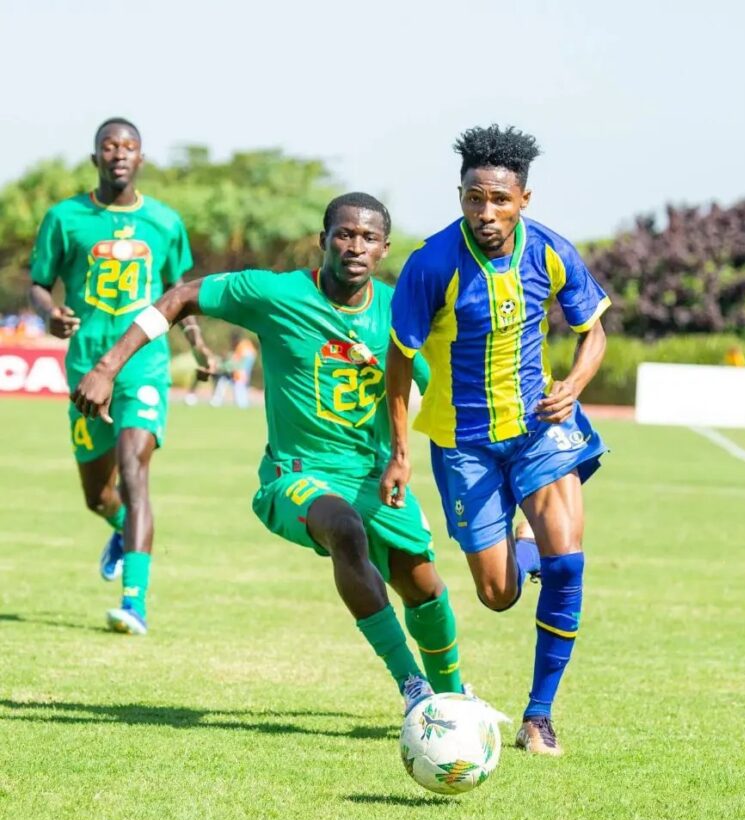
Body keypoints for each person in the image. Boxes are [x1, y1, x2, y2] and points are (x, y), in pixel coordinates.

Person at [71, 193, 466, 715]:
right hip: (294, 476)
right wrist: (107, 367)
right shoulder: (276, 293)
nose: (355, 246)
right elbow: (181, 296)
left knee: (424, 588)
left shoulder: (399, 312)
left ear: (384, 249)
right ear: (323, 240)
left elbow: (441, 395)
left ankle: (455, 699)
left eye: (369, 238)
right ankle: (413, 686)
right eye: (345, 234)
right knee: (344, 529)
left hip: (373, 478)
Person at [381, 125, 609, 756]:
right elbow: (398, 364)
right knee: (498, 594)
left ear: (523, 200)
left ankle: (539, 716)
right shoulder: (431, 264)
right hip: (463, 444)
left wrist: (575, 385)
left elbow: (594, 331)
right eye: (474, 198)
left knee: (567, 562)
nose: (486, 212)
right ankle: (521, 539)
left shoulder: (551, 251)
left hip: (540, 429)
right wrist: (400, 452)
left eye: (500, 200)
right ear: (460, 195)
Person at [28, 117, 214, 635]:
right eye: (109, 146)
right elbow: (38, 284)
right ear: (96, 158)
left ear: (141, 158)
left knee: (135, 471)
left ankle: (134, 602)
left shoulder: (165, 221)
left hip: (144, 365)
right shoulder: (64, 218)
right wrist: (48, 313)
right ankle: (119, 528)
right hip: (86, 368)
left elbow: (180, 293)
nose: (119, 153)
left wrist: (197, 342)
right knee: (98, 495)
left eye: (128, 146)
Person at [210, 329, 258, 408]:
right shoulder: (245, 345)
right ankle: (217, 401)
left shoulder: (243, 346)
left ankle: (217, 401)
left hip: (239, 376)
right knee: (224, 381)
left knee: (240, 397)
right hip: (239, 375)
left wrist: (221, 366)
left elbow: (238, 363)